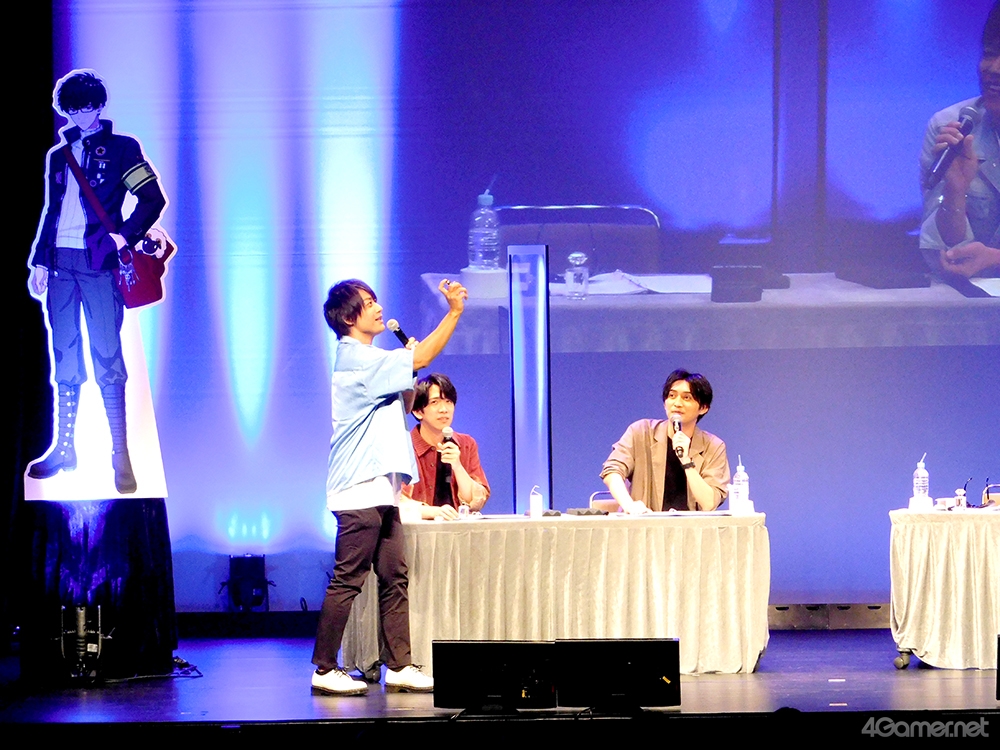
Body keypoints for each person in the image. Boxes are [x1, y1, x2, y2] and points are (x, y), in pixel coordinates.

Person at [312, 277, 467, 696]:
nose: (378, 307)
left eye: (376, 299)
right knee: (348, 579)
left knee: (395, 576)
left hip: (383, 488)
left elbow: (402, 400)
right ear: (349, 317)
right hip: (359, 485)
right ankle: (324, 668)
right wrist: (453, 313)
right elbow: (426, 355)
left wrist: (406, 366)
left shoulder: (373, 359)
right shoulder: (357, 358)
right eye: (368, 303)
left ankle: (399, 665)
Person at [27, 70, 167, 494]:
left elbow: (152, 198)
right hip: (60, 264)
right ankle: (64, 448)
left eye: (87, 106)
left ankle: (120, 453)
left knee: (108, 355)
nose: (81, 114)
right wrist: (40, 260)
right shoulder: (58, 155)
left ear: (100, 105)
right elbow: (52, 210)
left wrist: (125, 235)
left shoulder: (122, 148)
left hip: (99, 263)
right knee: (64, 354)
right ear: (65, 109)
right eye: (73, 107)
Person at [919, 3, 1000, 279]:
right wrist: (955, 189)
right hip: (970, 298)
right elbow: (943, 253)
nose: (994, 68)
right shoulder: (951, 127)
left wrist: (995, 259)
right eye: (989, 54)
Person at [601, 369, 730, 513]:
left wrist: (686, 461)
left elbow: (709, 503)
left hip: (691, 526)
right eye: (672, 396)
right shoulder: (641, 431)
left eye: (686, 398)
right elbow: (612, 470)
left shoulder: (714, 446)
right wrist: (629, 505)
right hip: (644, 522)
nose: (677, 403)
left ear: (703, 408)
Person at [402, 373, 489, 520]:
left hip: (458, 528)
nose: (444, 409)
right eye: (435, 402)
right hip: (417, 530)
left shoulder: (466, 444)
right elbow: (396, 501)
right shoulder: (404, 447)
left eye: (448, 401)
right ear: (417, 411)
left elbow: (476, 502)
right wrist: (433, 512)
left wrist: (457, 466)